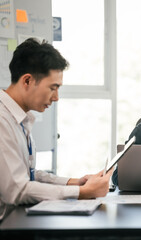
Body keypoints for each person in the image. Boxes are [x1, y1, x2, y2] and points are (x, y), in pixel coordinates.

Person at [0, 38, 113, 220]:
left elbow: (27, 174)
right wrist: (82, 192)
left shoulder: (19, 118)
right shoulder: (2, 120)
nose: (56, 98)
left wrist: (76, 182)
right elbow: (17, 189)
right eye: (53, 88)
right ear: (27, 81)